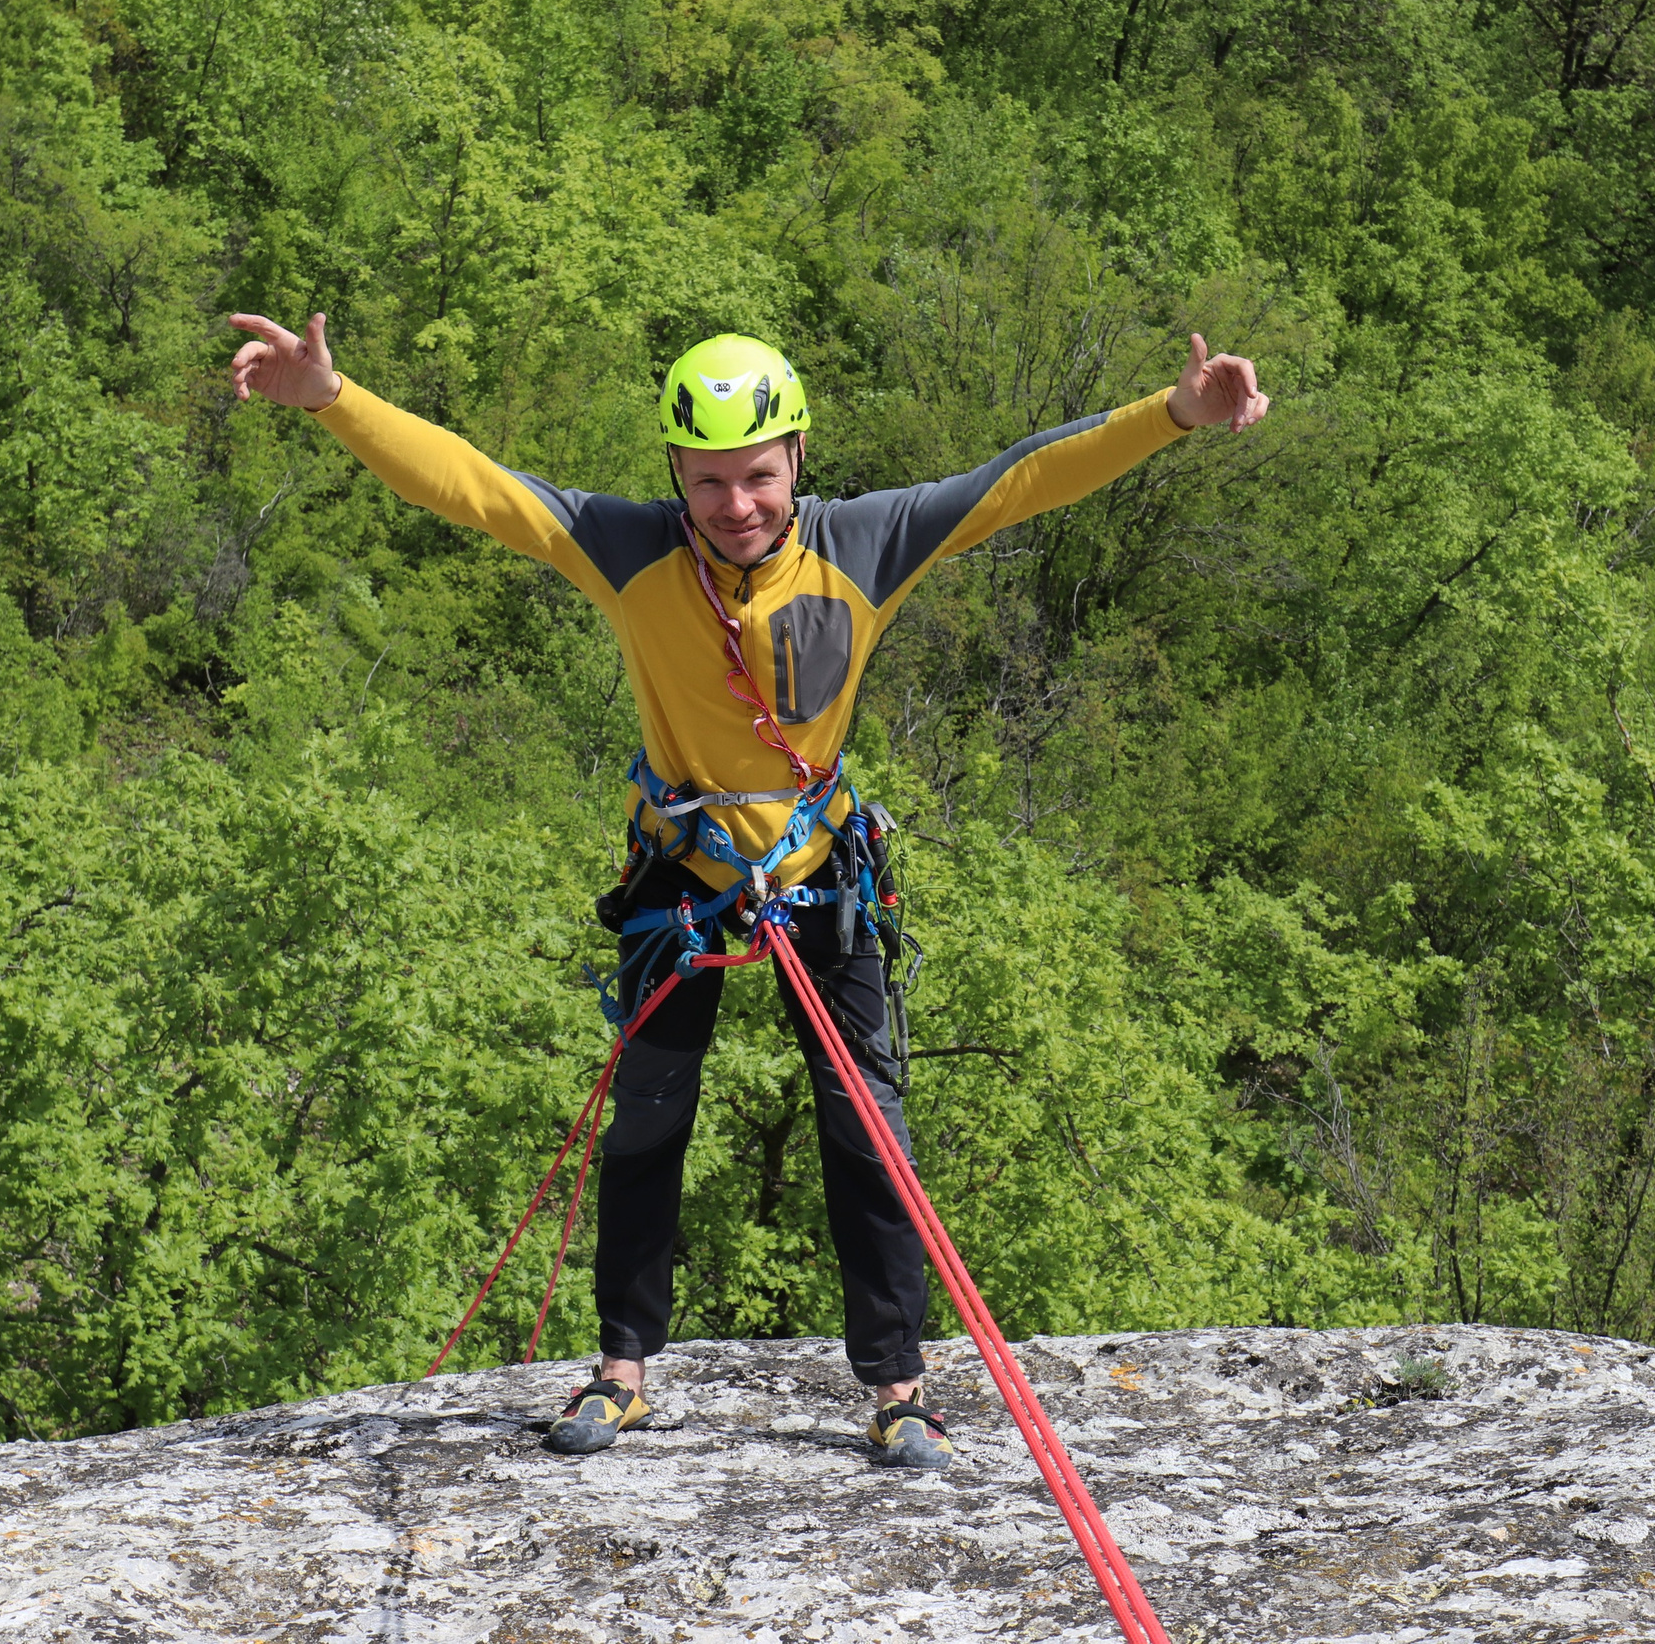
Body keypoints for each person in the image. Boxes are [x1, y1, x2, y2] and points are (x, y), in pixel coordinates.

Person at [225, 312, 1269, 1468]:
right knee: (649, 1121)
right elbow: (475, 486)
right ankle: (621, 1369)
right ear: (674, 472)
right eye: (709, 479)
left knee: (868, 1131)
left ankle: (899, 1384)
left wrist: (1172, 416)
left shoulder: (863, 545)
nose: (736, 505)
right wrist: (332, 400)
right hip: (682, 871)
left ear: (798, 460)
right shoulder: (626, 549)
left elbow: (1016, 481)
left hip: (821, 873)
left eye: (758, 477)